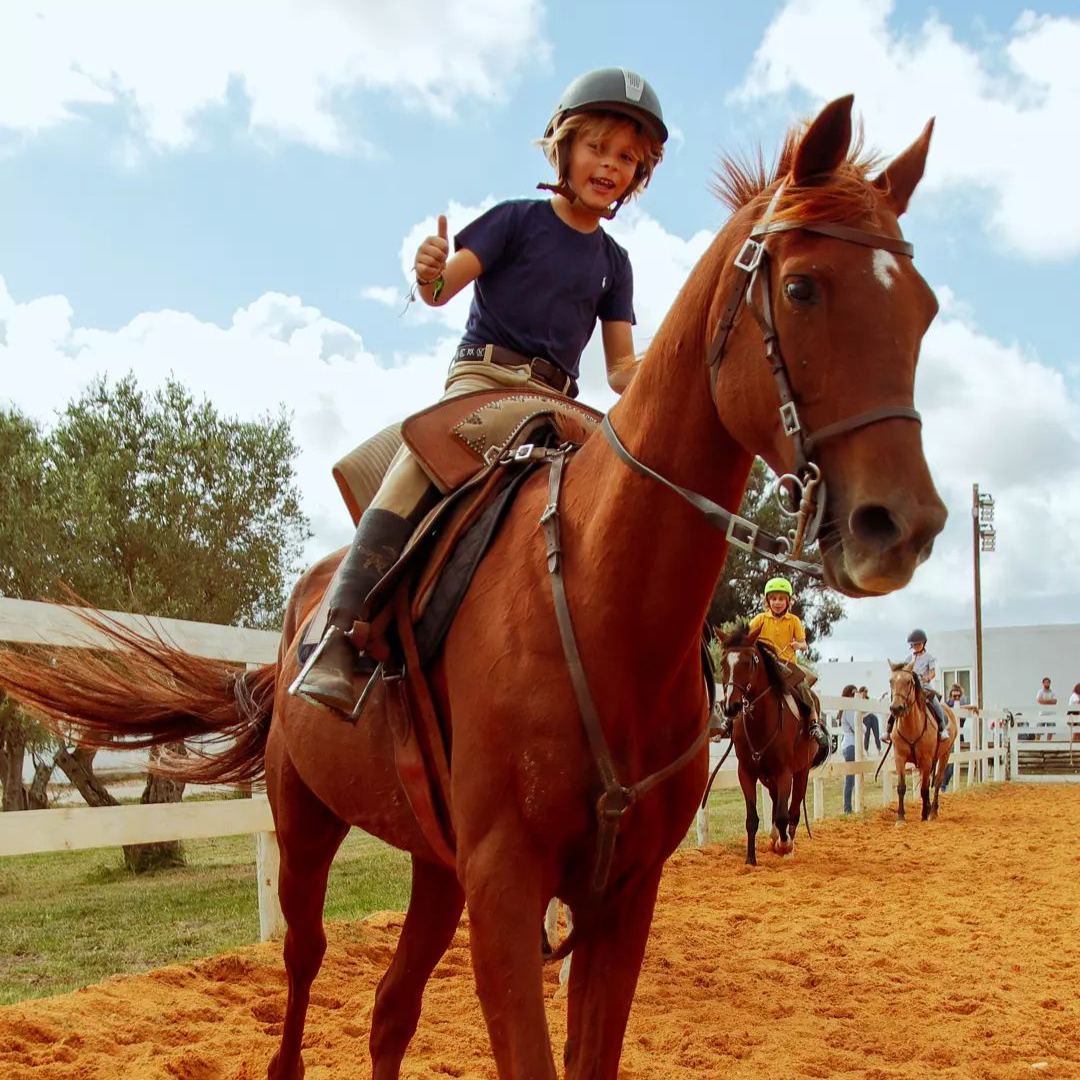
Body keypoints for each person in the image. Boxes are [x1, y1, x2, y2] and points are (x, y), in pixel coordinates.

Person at [291, 68, 668, 713]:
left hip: (562, 405)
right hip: (484, 382)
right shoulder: (514, 221)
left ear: (638, 175)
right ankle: (337, 633)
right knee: (421, 463)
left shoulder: (615, 263)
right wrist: (429, 268)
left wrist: (673, 359)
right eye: (597, 147)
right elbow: (440, 292)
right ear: (565, 146)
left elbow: (621, 372)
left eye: (626, 157)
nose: (609, 165)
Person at [715, 577, 829, 759]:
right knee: (740, 684)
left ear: (788, 601)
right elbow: (746, 640)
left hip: (788, 664)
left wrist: (799, 645)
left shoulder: (794, 621)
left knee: (804, 687)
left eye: (781, 599)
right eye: (773, 598)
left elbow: (804, 643)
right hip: (766, 665)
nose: (777, 602)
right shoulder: (759, 619)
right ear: (767, 601)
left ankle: (813, 724)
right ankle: (728, 720)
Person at [887, 629, 950, 740]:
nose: (916, 646)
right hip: (910, 686)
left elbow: (932, 672)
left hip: (924, 686)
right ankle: (888, 729)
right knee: (897, 702)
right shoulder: (908, 659)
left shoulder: (929, 657)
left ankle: (942, 728)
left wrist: (928, 678)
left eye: (918, 644)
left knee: (934, 702)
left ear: (923, 643)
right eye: (914, 644)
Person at [840, 685, 858, 813]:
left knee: (851, 779)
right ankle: (847, 808)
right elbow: (857, 727)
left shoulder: (845, 710)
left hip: (848, 744)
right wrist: (864, 728)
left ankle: (848, 807)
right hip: (851, 745)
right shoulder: (849, 710)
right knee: (850, 779)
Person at [858, 686, 881, 754]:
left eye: (866, 691)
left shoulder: (869, 699)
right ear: (861, 692)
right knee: (867, 734)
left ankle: (879, 749)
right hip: (865, 717)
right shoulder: (859, 701)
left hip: (872, 716)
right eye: (864, 691)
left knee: (876, 733)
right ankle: (866, 749)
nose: (866, 693)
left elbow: (876, 701)